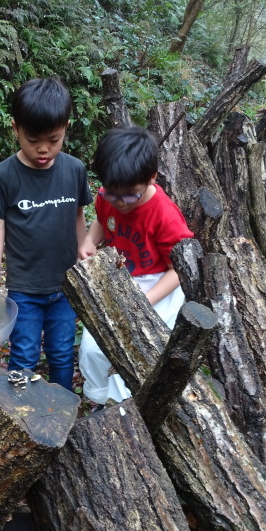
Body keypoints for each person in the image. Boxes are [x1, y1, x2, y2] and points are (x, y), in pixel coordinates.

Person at [0, 78, 92, 391]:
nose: (43, 149)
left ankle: (62, 409)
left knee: (62, 353)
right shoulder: (4, 175)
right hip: (25, 289)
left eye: (53, 140)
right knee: (24, 354)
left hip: (65, 287)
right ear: (15, 128)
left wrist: (83, 247)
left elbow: (78, 214)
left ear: (66, 127)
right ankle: (22, 417)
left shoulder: (74, 170)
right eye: (33, 140)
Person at [77, 125, 194, 405]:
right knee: (94, 346)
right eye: (111, 194)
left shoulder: (164, 216)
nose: (119, 203)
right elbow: (102, 221)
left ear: (152, 178)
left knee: (131, 349)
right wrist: (88, 241)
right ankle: (98, 399)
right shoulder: (110, 196)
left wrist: (145, 300)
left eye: (129, 196)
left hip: (157, 285)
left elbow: (178, 269)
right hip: (122, 278)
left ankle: (124, 407)